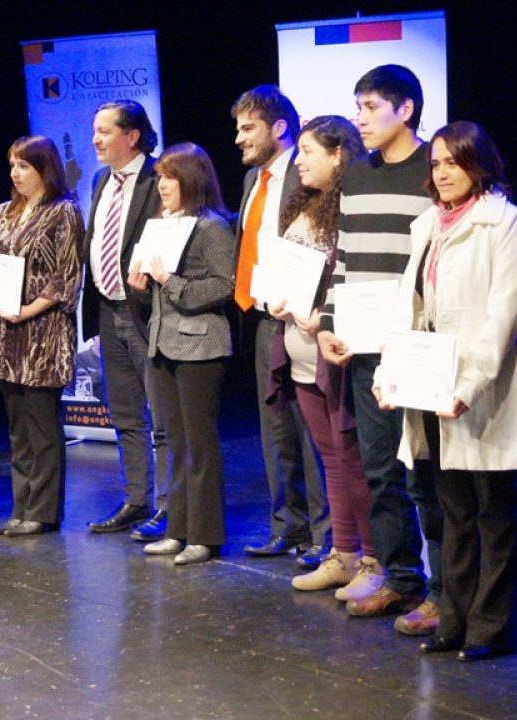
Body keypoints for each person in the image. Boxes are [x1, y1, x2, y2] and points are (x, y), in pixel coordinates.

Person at [376, 121, 517, 661]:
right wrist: (390, 373)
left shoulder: (507, 222)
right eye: (436, 163)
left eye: (453, 162)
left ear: (479, 164)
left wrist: (468, 385)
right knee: (453, 512)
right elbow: (409, 307)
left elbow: (502, 317)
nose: (443, 172)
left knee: (492, 511)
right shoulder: (428, 223)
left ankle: (492, 628)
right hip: (430, 387)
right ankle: (455, 619)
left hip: (481, 390)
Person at [315, 64, 444, 636]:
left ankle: (444, 591)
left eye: (371, 107)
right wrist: (329, 322)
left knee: (426, 474)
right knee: (381, 470)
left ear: (406, 109)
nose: (361, 119)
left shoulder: (434, 169)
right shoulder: (358, 175)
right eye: (358, 107)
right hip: (365, 348)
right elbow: (345, 259)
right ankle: (402, 576)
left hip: (418, 347)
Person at [260, 115, 375, 592]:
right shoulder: (303, 207)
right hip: (299, 353)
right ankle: (343, 553)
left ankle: (374, 561)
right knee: (330, 458)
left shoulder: (352, 212)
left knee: (352, 460)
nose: (300, 161)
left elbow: (354, 281)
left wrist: (322, 318)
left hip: (334, 355)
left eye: (308, 152)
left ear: (338, 154)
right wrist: (275, 298)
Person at [231, 85, 330, 565]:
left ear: (279, 128)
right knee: (275, 429)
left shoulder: (306, 171)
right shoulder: (254, 179)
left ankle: (327, 535)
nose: (239, 139)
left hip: (304, 317)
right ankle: (286, 526)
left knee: (313, 430)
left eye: (248, 128)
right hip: (262, 315)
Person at [127, 142, 235, 566]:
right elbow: (156, 291)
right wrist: (142, 286)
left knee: (199, 443)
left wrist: (170, 282)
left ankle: (204, 536)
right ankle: (178, 529)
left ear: (190, 179)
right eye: (160, 177)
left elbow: (225, 285)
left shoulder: (211, 227)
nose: (162, 185)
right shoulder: (161, 225)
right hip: (162, 342)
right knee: (174, 441)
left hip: (200, 346)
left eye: (170, 177)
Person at [0, 135, 82, 536]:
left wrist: (28, 309)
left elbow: (67, 277)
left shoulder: (64, 212)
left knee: (42, 426)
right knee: (17, 428)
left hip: (43, 334)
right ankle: (21, 507)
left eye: (24, 166)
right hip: (7, 334)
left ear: (43, 169)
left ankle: (43, 512)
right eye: (13, 165)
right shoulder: (3, 212)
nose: (15, 173)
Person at [80, 100, 171, 537]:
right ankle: (138, 500)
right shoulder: (101, 180)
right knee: (125, 414)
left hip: (147, 313)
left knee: (163, 417)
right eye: (95, 130)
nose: (95, 139)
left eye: (104, 131)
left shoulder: (160, 177)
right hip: (108, 310)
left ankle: (170, 506)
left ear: (132, 136)